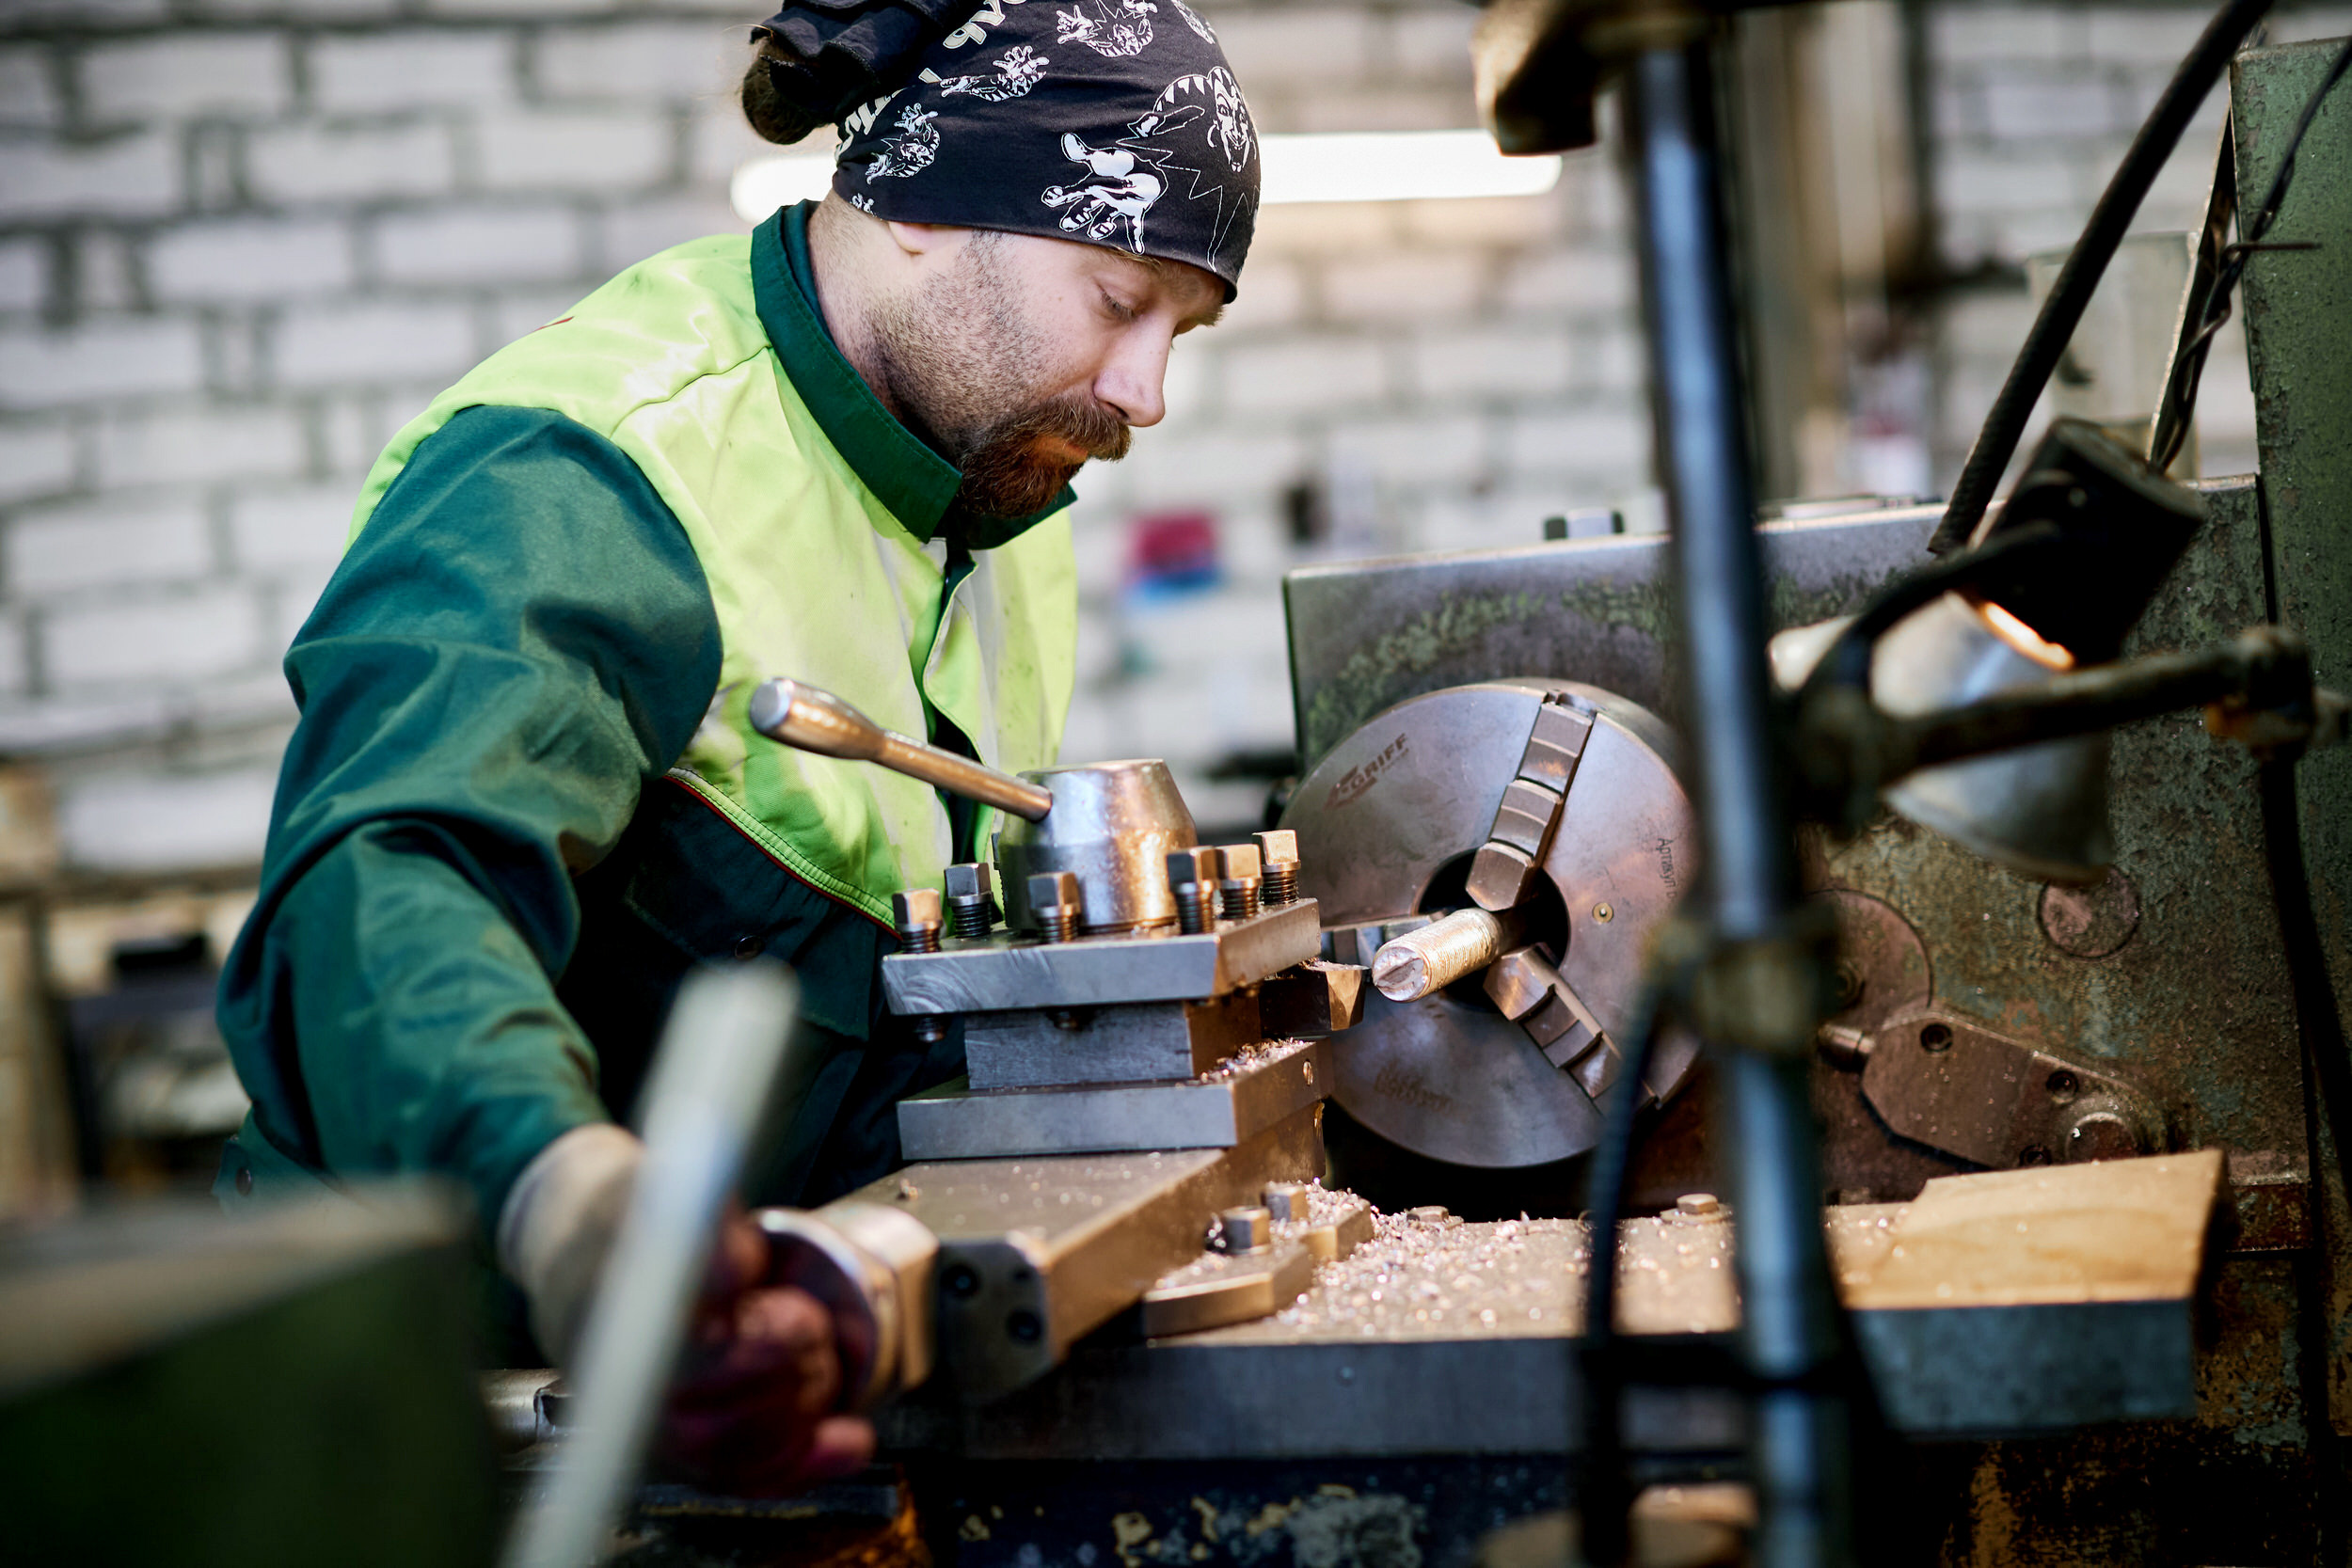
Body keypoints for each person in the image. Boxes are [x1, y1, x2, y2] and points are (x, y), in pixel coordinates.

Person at [212, 0, 1258, 1491]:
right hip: (407, 1405)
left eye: (1185, 333)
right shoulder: (589, 471)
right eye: (1116, 298)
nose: (1145, 393)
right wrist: (568, 1205)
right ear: (919, 198)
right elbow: (382, 883)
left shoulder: (997, 497)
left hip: (734, 1394)